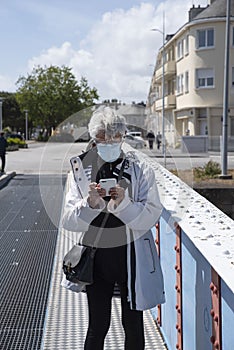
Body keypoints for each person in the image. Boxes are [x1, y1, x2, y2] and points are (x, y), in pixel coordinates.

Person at [62, 106, 165, 350]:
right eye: (101, 140)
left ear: (122, 137)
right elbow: (67, 219)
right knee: (98, 325)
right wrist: (90, 204)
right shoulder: (80, 170)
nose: (108, 144)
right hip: (97, 259)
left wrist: (123, 204)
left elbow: (151, 214)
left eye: (114, 139)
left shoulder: (140, 169)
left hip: (131, 257)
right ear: (93, 139)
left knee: (133, 324)